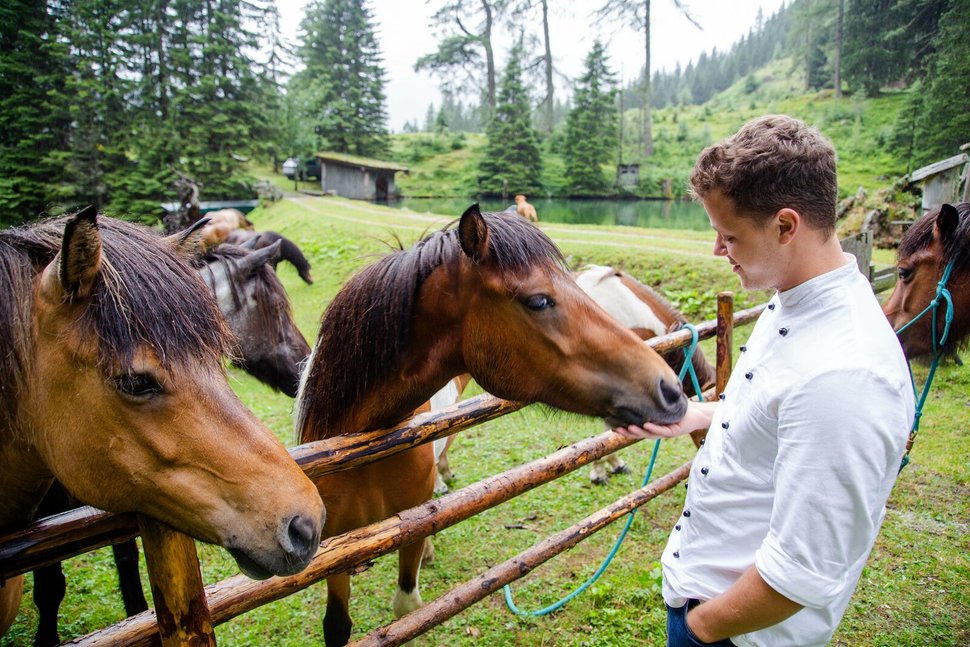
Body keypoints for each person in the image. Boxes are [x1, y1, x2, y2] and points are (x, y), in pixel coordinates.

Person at [614, 114, 913, 647]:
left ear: (785, 226)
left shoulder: (844, 374)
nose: (717, 251)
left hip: (736, 633)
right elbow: (777, 416)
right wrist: (698, 415)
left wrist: (702, 626)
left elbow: (802, 568)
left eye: (728, 236)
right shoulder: (794, 299)